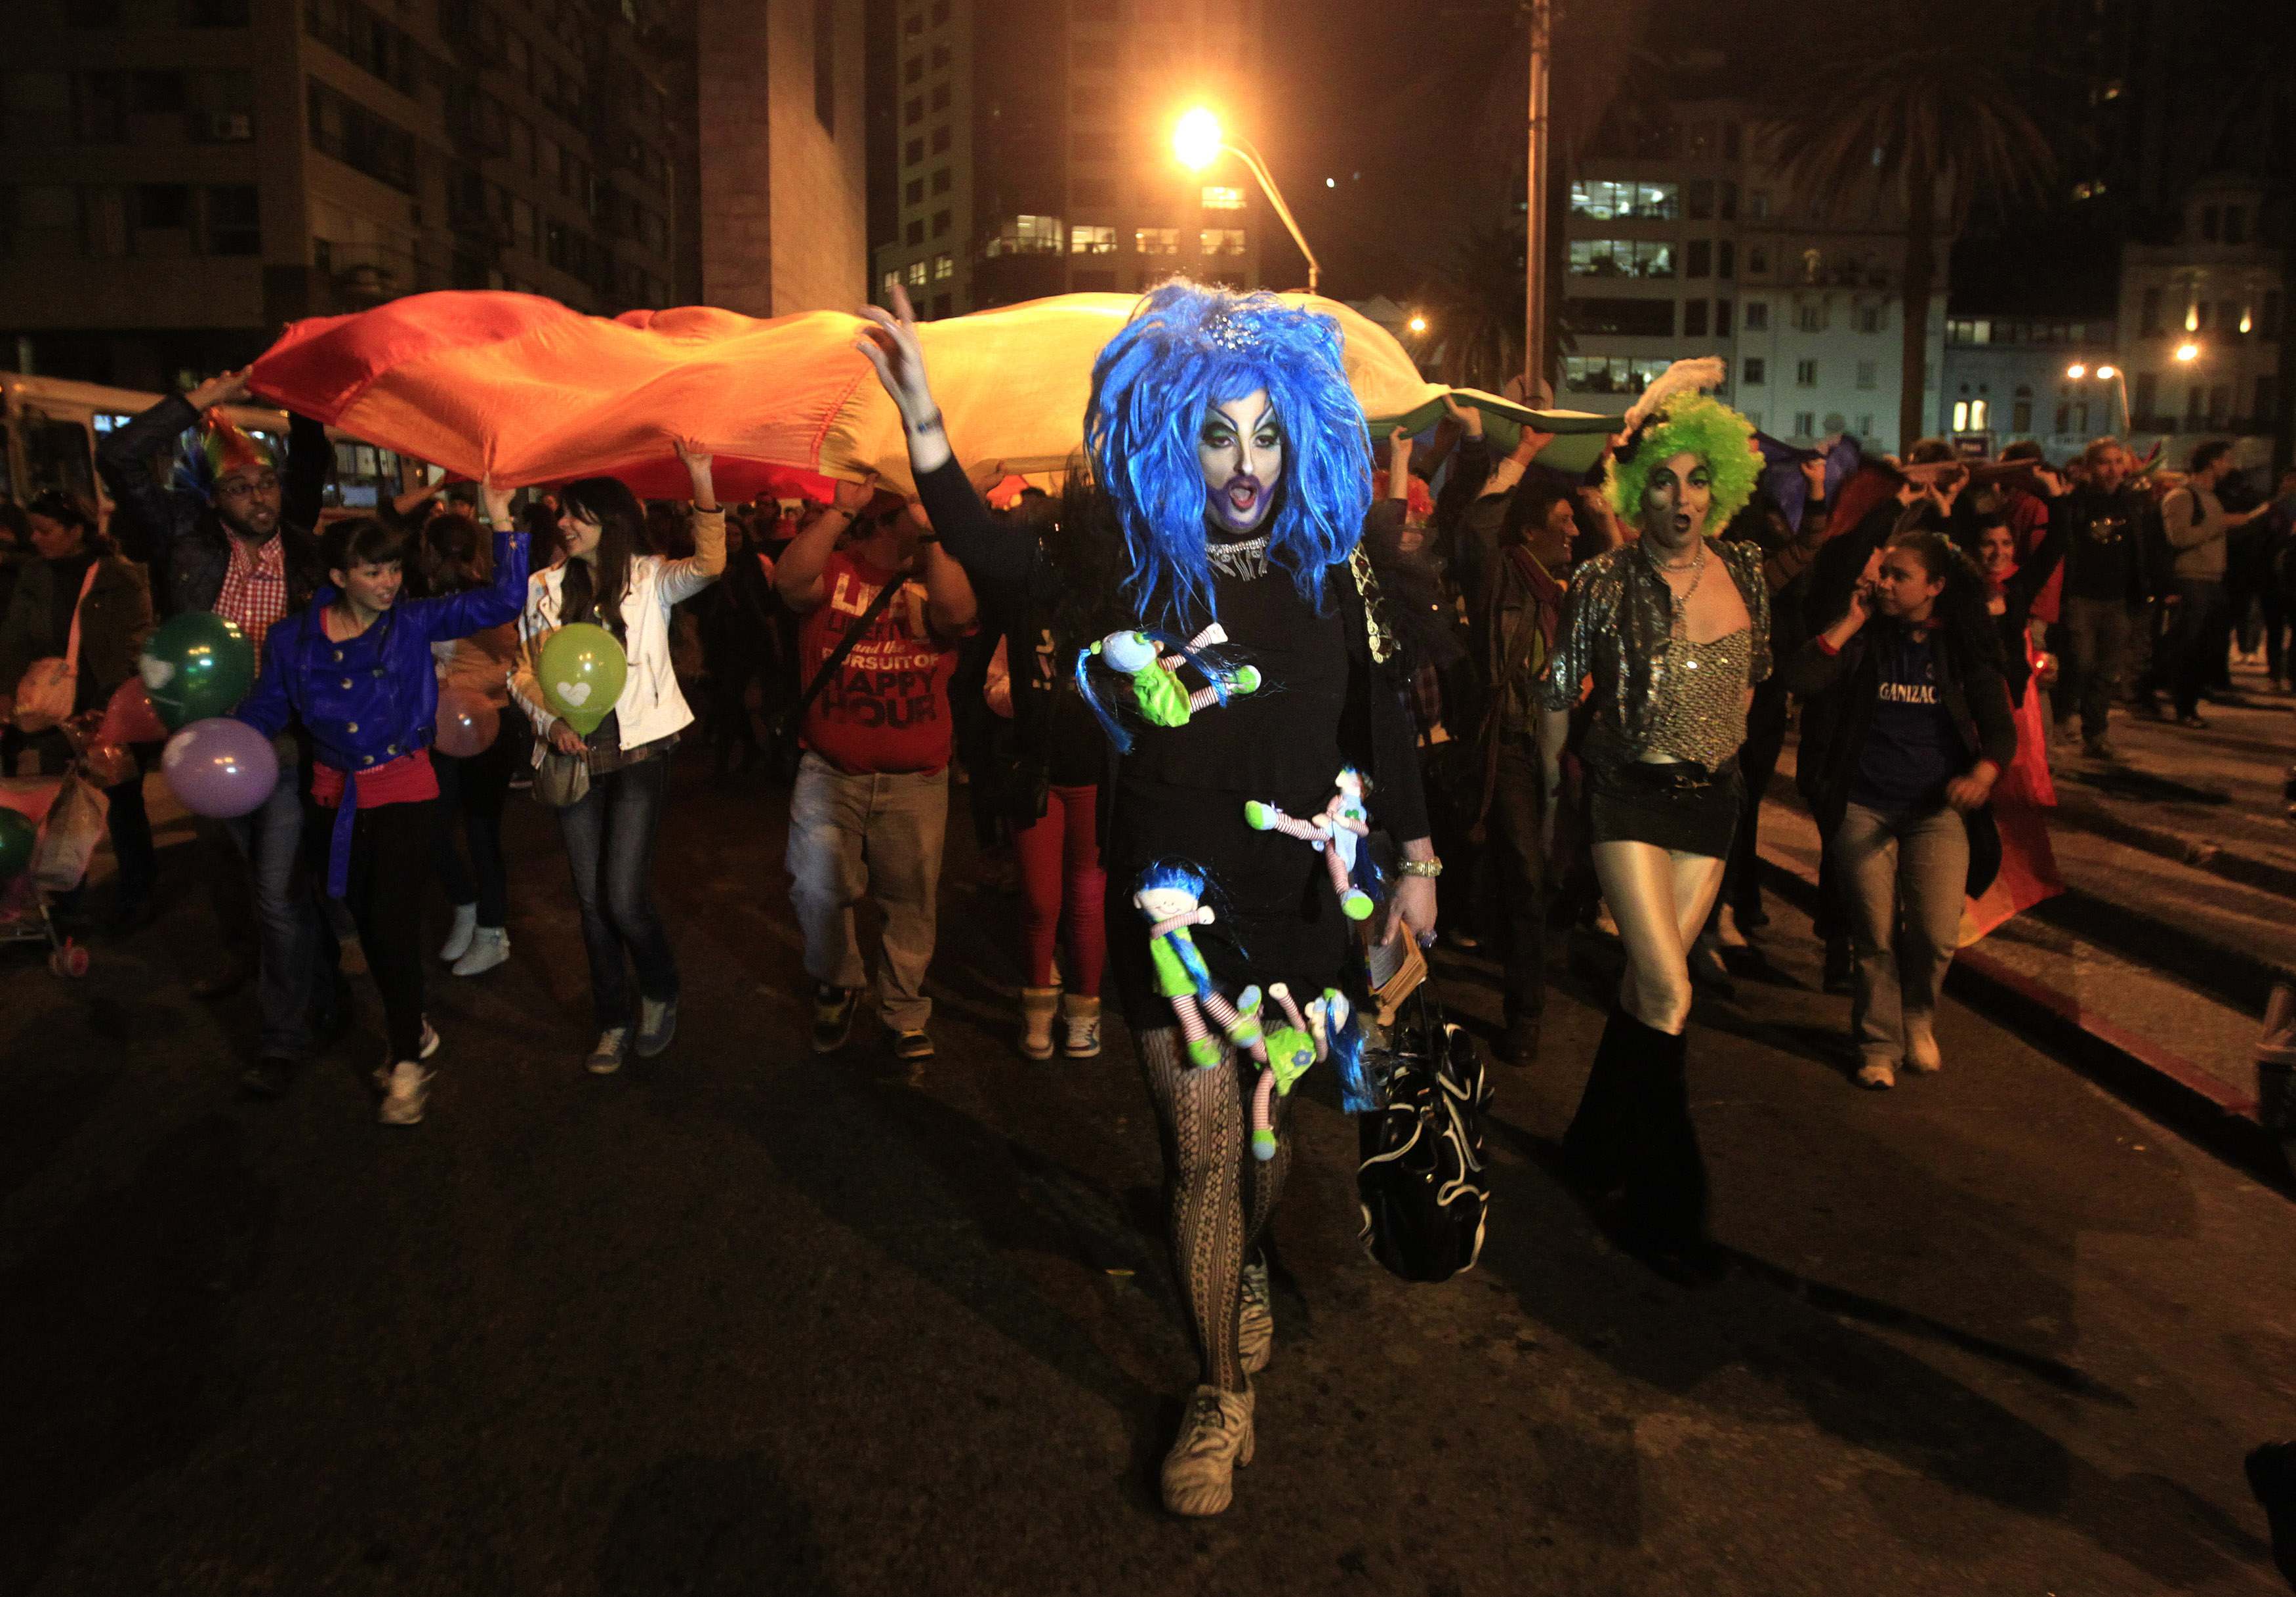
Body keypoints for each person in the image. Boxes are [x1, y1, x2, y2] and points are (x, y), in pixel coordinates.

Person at [857, 280, 1437, 1518]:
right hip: (1176, 909)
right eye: (1218, 431)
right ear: (1180, 431)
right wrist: (925, 428)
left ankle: (1247, 1267)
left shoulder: (1337, 564)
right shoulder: (1135, 562)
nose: (1243, 462)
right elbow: (1002, 561)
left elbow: (1384, 718)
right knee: (1202, 1145)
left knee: (1264, 1146)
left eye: (1266, 432)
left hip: (1304, 906)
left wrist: (1420, 863)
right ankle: (1220, 1389)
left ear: (1300, 435)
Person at [1541, 367, 1768, 1286]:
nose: (1682, 497)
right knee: (1672, 995)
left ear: (1722, 484)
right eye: (1663, 480)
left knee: (1647, 987)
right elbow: (1558, 692)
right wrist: (1548, 797)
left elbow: (1756, 681)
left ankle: (1594, 1144)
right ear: (1639, 492)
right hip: (1627, 799)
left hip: (1711, 805)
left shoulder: (1748, 569)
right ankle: (1668, 1207)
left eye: (1697, 478)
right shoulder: (1601, 578)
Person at [234, 491, 529, 1123]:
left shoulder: (415, 621)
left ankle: (405, 1062)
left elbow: (505, 601)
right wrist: (231, 741)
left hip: (403, 782)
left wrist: (501, 520)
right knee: (359, 915)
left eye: (395, 569)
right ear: (338, 577)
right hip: (331, 791)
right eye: (373, 571)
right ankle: (412, 1026)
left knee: (391, 921)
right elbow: (269, 707)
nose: (390, 582)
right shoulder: (291, 640)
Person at [96, 370, 335, 1093]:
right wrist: (197, 401)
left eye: (266, 483)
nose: (258, 498)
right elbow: (120, 460)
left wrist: (305, 392)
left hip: (285, 741)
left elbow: (314, 460)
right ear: (214, 497)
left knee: (275, 891)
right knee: (236, 874)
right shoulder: (183, 536)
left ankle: (284, 1036)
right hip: (207, 743)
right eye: (240, 488)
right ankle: (289, 979)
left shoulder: (303, 547)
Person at [510, 444, 723, 1074]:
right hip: (570, 755)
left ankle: (659, 989)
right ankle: (612, 1019)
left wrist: (702, 477)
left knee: (623, 897)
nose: (566, 525)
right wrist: (549, 723)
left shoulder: (652, 577)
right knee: (590, 898)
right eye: (563, 515)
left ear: (612, 523)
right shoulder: (542, 588)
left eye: (580, 516)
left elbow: (711, 562)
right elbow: (522, 672)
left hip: (640, 751)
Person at [1786, 527, 2016, 1088]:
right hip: (1862, 805)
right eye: (1883, 572)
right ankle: (1878, 1045)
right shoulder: (1867, 640)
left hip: (1936, 812)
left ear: (1935, 586)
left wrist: (1982, 774)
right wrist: (1851, 620)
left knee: (1937, 933)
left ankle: (1918, 1015)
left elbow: (2000, 730)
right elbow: (1799, 678)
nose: (1883, 583)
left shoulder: (1958, 646)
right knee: (1874, 932)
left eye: (1899, 576)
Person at [775, 482, 977, 1061]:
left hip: (916, 775)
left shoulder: (939, 573)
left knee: (910, 901)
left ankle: (903, 1011)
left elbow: (958, 613)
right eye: (912, 512)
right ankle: (839, 980)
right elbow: (790, 583)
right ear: (887, 520)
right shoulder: (836, 570)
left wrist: (935, 532)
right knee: (817, 886)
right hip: (831, 768)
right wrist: (840, 509)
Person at [0, 490, 157, 927]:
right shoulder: (35, 575)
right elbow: (14, 639)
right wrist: (8, 694)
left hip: (108, 711)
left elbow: (136, 644)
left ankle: (137, 894)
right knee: (63, 806)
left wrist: (108, 705)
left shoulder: (119, 577)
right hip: (52, 709)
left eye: (45, 530)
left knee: (123, 804)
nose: (34, 538)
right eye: (33, 529)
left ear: (76, 531)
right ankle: (67, 902)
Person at [424, 510, 520, 976]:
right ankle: (466, 905)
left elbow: (514, 658)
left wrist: (464, 688)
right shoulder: (419, 598)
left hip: (487, 724)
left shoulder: (488, 602)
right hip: (436, 728)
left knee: (482, 832)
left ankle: (492, 931)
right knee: (433, 826)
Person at [2049, 437, 2162, 759]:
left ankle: (2096, 734)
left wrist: (2153, 587)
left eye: (2117, 462)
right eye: (2104, 462)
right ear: (2089, 468)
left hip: (2120, 600)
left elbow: (2147, 549)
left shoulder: (2134, 505)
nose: (2112, 469)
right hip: (2082, 597)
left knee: (2105, 670)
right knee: (2079, 663)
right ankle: (2061, 719)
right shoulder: (2077, 505)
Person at [2160, 442, 2270, 728]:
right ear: (2212, 462)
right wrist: (2223, 523)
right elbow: (2180, 538)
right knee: (2188, 646)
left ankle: (2186, 699)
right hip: (2192, 579)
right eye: (2226, 460)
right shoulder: (2182, 497)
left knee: (2205, 646)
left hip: (2212, 579)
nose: (2229, 466)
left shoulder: (2211, 497)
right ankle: (2181, 705)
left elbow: (2213, 535)